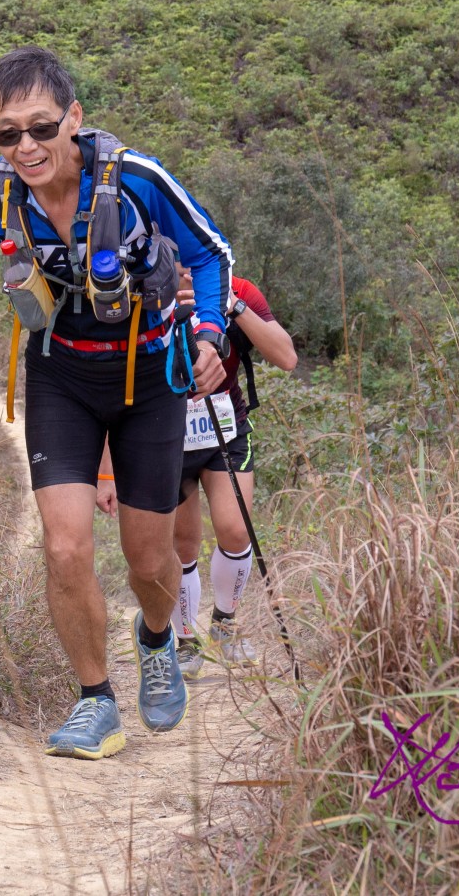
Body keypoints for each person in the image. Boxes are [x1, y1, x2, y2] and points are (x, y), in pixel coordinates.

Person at [0, 47, 232, 759]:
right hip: (60, 374)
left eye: (41, 127)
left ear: (74, 119)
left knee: (149, 561)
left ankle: (156, 637)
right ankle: (96, 701)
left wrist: (211, 333)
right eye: (7, 134)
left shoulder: (138, 180)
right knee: (64, 546)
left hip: (151, 377)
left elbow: (211, 252)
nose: (26, 147)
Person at [152, 270, 295, 673]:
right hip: (167, 431)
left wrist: (233, 306)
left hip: (225, 428)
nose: (185, 269)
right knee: (183, 544)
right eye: (176, 256)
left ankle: (224, 623)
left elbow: (287, 357)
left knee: (236, 530)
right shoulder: (148, 292)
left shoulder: (239, 289)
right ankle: (185, 640)